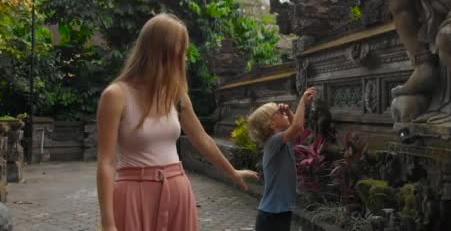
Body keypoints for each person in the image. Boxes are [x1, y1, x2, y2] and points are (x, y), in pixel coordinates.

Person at [96, 13, 258, 231]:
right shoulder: (116, 95)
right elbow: (106, 162)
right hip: (134, 195)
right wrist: (108, 222)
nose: (185, 58)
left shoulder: (176, 94)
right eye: (181, 50)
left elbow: (202, 139)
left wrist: (232, 171)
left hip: (177, 190)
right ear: (161, 52)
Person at [247, 87, 317, 231]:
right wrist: (302, 102)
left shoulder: (281, 142)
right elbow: (296, 126)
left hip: (279, 211)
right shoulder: (273, 141)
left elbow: (299, 130)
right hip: (271, 215)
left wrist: (288, 112)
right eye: (279, 113)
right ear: (272, 124)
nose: (284, 113)